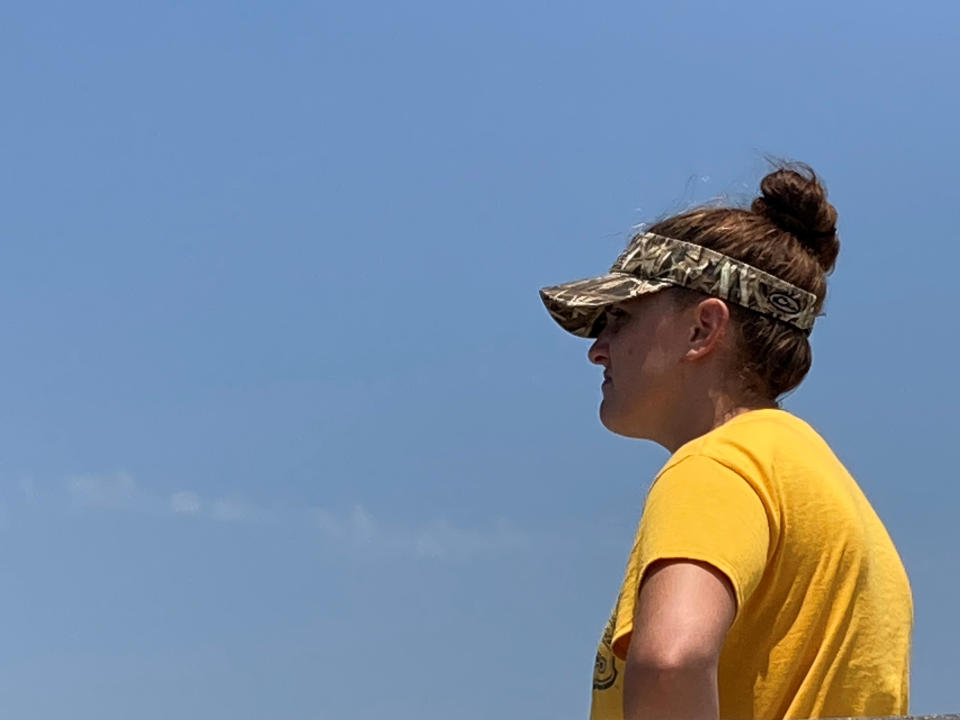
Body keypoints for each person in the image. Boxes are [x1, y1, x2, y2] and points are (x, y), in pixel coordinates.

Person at [539, 164, 913, 720]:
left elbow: (672, 660)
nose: (598, 349)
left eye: (619, 317)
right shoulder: (818, 484)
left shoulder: (716, 468)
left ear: (702, 330)